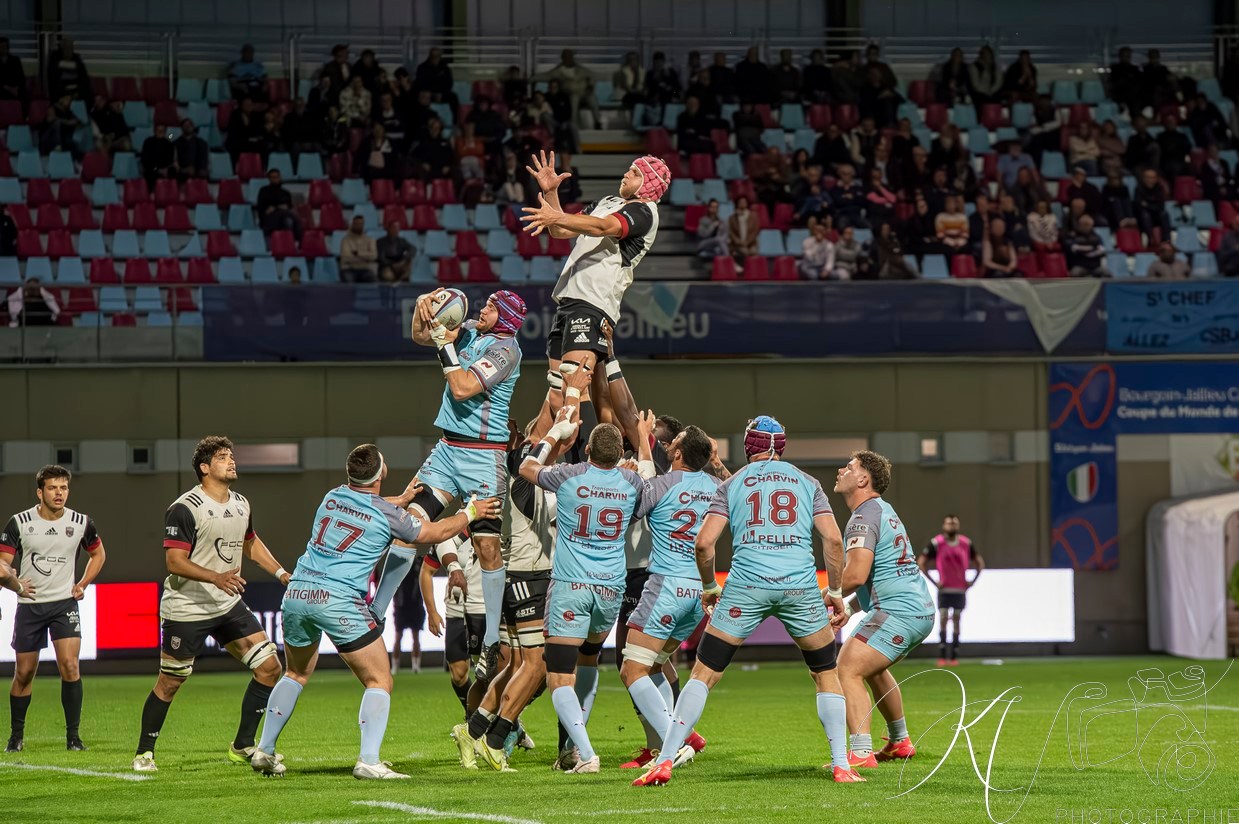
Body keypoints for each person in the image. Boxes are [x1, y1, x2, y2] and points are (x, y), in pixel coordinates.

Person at [249, 444, 498, 778]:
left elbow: (367, 504)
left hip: (298, 592)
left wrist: (398, 498)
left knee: (295, 673)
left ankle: (264, 750)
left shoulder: (332, 496)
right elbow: (434, 532)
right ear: (381, 472)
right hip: (337, 600)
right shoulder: (387, 514)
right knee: (379, 679)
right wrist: (470, 512)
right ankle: (368, 760)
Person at [633, 415, 854, 787]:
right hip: (799, 588)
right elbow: (833, 541)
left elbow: (704, 544)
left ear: (749, 445)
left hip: (746, 587)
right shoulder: (808, 482)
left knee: (704, 674)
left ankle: (666, 760)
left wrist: (709, 587)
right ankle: (841, 764)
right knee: (825, 674)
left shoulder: (732, 484)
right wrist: (834, 593)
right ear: (781, 446)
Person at [133, 436, 296, 772]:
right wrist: (216, 577)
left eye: (231, 456)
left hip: (226, 603)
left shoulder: (241, 503)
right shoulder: (185, 507)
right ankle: (144, 752)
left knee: (269, 668)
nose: (231, 461)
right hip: (187, 607)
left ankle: (242, 746)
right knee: (171, 680)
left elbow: (250, 543)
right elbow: (175, 562)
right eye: (222, 457)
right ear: (204, 468)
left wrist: (280, 573)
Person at [391, 290, 528, 681]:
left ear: (502, 318)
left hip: (484, 456)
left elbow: (462, 387)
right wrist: (423, 311)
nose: (480, 310)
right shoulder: (469, 330)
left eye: (489, 308)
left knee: (486, 545)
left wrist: (443, 346)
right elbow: (423, 335)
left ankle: (489, 638)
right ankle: (375, 611)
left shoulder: (505, 352)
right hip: (449, 448)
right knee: (407, 526)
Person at [514, 414, 654, 775]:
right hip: (610, 589)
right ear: (618, 453)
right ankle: (572, 750)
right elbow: (651, 488)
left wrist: (554, 434)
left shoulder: (571, 475)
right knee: (589, 660)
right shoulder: (631, 481)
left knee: (559, 675)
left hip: (571, 587)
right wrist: (642, 443)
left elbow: (528, 467)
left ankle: (584, 753)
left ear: (588, 449)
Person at [519, 150, 668, 454]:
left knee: (573, 395)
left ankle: (568, 469)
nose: (626, 174)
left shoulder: (645, 211)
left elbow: (605, 228)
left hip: (593, 305)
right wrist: (550, 193)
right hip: (568, 303)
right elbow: (560, 229)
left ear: (648, 184)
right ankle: (539, 469)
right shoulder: (607, 202)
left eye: (634, 172)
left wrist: (556, 215)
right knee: (560, 396)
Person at [456, 419, 557, 770]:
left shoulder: (501, 487)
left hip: (514, 579)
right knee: (536, 665)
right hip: (530, 578)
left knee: (515, 664)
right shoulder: (522, 489)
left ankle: (472, 730)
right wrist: (561, 424)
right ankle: (497, 739)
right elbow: (543, 452)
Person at [618, 425, 720, 771]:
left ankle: (675, 743)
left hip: (666, 586)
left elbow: (629, 511)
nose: (666, 447)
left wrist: (627, 473)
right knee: (656, 664)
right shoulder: (716, 488)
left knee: (631, 670)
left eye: (671, 444)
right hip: (699, 593)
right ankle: (677, 738)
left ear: (677, 454)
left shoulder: (663, 485)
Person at [834, 450, 935, 770]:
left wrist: (823, 596)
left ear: (863, 479)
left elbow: (855, 576)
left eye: (849, 468)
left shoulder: (864, 516)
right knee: (872, 668)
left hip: (900, 612)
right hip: (916, 609)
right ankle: (899, 741)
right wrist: (849, 606)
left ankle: (861, 753)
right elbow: (880, 575)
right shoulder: (881, 510)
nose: (842, 470)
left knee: (847, 667)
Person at [2, 465, 105, 753]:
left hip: (64, 604)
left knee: (70, 666)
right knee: (24, 672)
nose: (59, 493)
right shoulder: (20, 523)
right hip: (30, 606)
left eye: (63, 488)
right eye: (52, 488)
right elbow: (2, 564)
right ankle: (16, 736)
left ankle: (73, 737)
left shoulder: (81, 522)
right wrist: (17, 586)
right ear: (40, 492)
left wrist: (83, 583)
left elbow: (98, 553)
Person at [423, 535, 486, 719]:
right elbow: (426, 572)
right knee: (458, 675)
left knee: (490, 672)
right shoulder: (448, 531)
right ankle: (475, 716)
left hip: (484, 611)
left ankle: (501, 723)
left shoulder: (492, 526)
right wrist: (432, 611)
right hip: (455, 612)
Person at [918, 515, 985, 667]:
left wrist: (972, 581)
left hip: (959, 588)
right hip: (945, 588)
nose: (952, 526)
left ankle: (954, 654)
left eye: (954, 523)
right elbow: (921, 562)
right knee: (943, 617)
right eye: (949, 523)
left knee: (956, 618)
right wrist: (934, 581)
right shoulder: (937, 543)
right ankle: (942, 654)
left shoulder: (965, 543)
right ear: (944, 525)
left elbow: (980, 563)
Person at [542, 49, 600, 129]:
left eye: (569, 56)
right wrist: (530, 79)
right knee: (574, 98)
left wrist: (590, 87)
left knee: (592, 98)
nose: (568, 58)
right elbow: (545, 76)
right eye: (565, 56)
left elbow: (591, 77)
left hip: (584, 93)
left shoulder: (581, 69)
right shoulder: (558, 71)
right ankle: (574, 126)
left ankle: (598, 122)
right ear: (562, 57)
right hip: (569, 95)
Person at [390, 554, 426, 674]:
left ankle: (416, 666)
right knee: (398, 637)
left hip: (416, 607)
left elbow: (424, 580)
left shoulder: (418, 565)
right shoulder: (398, 565)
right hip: (401, 607)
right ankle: (394, 666)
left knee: (416, 637)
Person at [255, 169, 301, 239]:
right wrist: (275, 208)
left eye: (277, 177)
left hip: (284, 216)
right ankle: (298, 239)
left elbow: (288, 206)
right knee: (290, 217)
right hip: (269, 218)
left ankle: (293, 241)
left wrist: (277, 207)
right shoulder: (264, 191)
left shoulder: (285, 193)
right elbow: (261, 208)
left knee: (288, 220)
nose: (276, 179)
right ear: (269, 179)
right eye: (273, 177)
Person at [1133, 168, 1171, 244]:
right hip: (1142, 218)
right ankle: (1150, 239)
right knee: (1145, 215)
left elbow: (1161, 206)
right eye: (1148, 177)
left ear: (1156, 179)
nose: (1150, 180)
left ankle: (1167, 240)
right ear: (1143, 178)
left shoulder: (1159, 189)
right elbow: (1139, 206)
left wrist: (1147, 205)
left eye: (1153, 178)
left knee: (1164, 214)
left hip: (1156, 215)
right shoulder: (1139, 189)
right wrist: (1151, 205)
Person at [46, 37, 90, 102]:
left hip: (76, 94)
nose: (68, 50)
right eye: (66, 47)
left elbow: (84, 78)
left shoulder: (76, 58)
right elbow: (53, 81)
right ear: (62, 48)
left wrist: (78, 92)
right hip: (61, 94)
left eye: (70, 47)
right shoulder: (55, 58)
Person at [338, 215, 378, 283]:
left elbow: (373, 256)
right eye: (357, 224)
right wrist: (365, 257)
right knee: (349, 281)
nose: (359, 226)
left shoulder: (369, 239)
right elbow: (346, 257)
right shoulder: (346, 240)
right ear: (353, 224)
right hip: (348, 269)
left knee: (373, 279)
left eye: (361, 224)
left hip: (364, 269)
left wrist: (357, 253)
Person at [1109, 47, 1142, 114]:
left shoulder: (1135, 69)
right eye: (1124, 55)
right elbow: (1114, 83)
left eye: (1128, 56)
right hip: (1119, 96)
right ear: (1120, 56)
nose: (1126, 58)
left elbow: (1139, 83)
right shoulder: (1115, 69)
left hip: (1133, 97)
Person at [727, 195, 760, 262]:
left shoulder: (753, 216)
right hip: (737, 244)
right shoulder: (732, 218)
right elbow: (731, 233)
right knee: (745, 252)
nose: (742, 203)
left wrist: (747, 242)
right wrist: (739, 242)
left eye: (744, 202)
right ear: (737, 204)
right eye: (741, 202)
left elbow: (755, 231)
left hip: (750, 243)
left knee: (753, 252)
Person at [0, 37, 27, 110]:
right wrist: (8, 88)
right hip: (2, 88)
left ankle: (24, 118)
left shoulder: (15, 60)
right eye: (1, 46)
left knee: (24, 93)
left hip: (16, 88)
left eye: (5, 46)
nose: (3, 48)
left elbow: (21, 78)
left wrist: (16, 88)